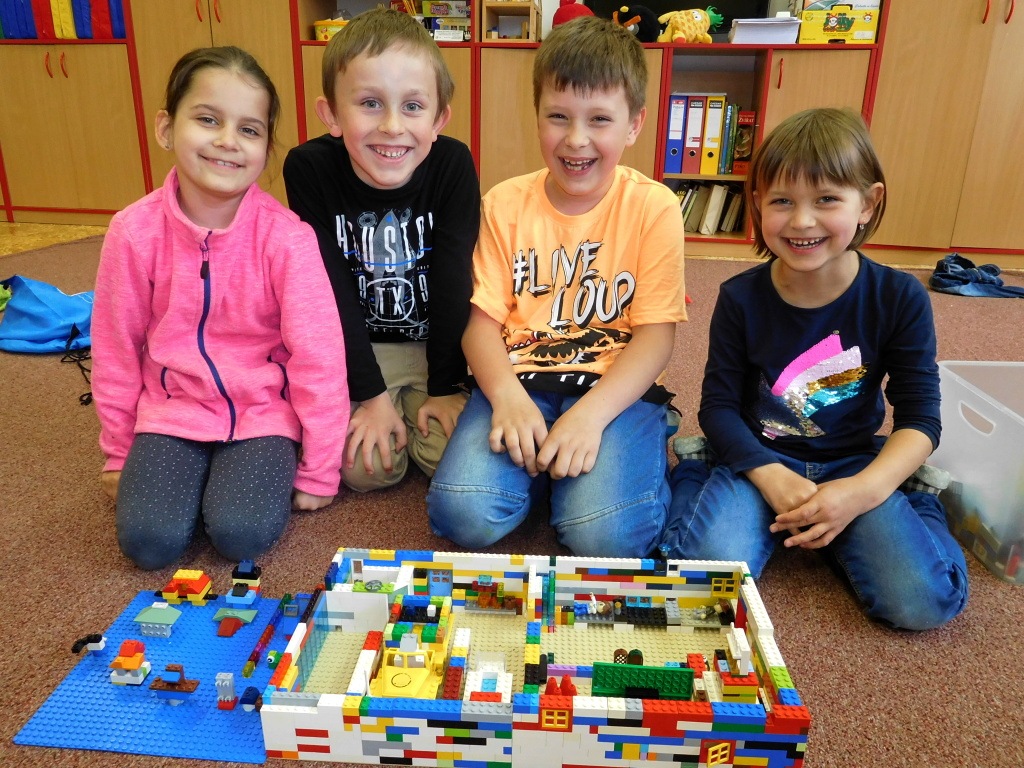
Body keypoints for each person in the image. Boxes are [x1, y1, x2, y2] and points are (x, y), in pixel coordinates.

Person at [660, 108, 968, 630]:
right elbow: (718, 408)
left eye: (826, 199)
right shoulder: (740, 297)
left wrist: (864, 493)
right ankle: (699, 468)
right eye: (782, 201)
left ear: (867, 203)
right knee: (698, 586)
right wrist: (768, 474)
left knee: (921, 603)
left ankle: (919, 501)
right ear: (757, 203)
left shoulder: (899, 297)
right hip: (757, 460)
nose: (802, 221)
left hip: (854, 464)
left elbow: (921, 419)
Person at [426, 16, 687, 556]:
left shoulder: (655, 207)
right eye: (558, 116)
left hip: (612, 391)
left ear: (634, 124)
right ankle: (552, 466)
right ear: (537, 115)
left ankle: (624, 447)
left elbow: (656, 337)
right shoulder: (504, 203)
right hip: (520, 380)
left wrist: (590, 416)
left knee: (606, 538)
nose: (576, 140)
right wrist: (506, 398)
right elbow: (480, 327)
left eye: (600, 119)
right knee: (462, 514)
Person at [92, 47, 348, 570]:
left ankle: (222, 481)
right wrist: (118, 450)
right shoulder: (133, 231)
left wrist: (321, 467)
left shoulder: (288, 239)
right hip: (172, 412)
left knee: (241, 535)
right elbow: (116, 347)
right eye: (208, 119)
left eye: (249, 130)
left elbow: (319, 358)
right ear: (167, 128)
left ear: (265, 148)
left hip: (261, 415)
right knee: (148, 543)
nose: (228, 140)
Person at [284, 8, 480, 493]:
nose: (393, 126)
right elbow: (328, 292)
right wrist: (371, 396)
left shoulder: (453, 163)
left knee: (455, 462)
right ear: (331, 114)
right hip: (358, 347)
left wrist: (445, 388)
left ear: (438, 119)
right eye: (370, 103)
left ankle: (421, 403)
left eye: (412, 106)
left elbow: (453, 281)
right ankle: (384, 406)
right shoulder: (308, 168)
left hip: (436, 346)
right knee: (366, 469)